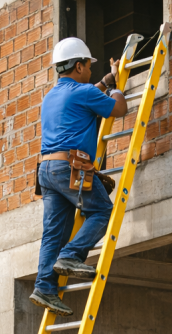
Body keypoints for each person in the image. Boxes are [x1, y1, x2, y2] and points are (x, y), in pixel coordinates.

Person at [31, 37, 128, 316]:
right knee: (102, 211)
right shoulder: (83, 92)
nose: (90, 70)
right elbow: (119, 109)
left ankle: (44, 287)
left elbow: (85, 96)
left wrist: (103, 83)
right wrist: (115, 87)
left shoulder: (51, 97)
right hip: (70, 167)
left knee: (53, 233)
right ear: (78, 66)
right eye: (88, 65)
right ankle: (71, 256)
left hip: (47, 171)